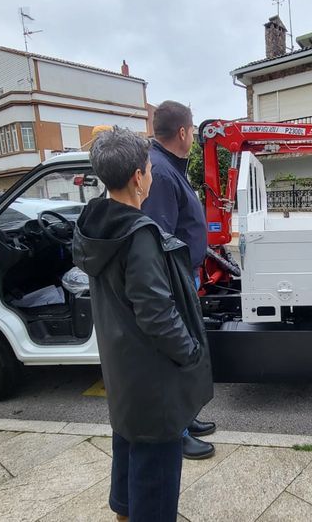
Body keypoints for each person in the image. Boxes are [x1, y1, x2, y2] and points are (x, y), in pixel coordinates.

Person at [72, 127, 213, 521]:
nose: (151, 173)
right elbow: (157, 314)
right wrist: (190, 352)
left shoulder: (95, 224)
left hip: (122, 371)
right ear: (138, 176)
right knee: (157, 475)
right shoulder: (139, 236)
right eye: (149, 167)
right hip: (152, 380)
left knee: (128, 451)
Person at [141, 100, 216, 460]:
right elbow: (160, 240)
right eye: (194, 133)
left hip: (186, 274)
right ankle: (178, 430)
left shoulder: (169, 167)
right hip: (174, 279)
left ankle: (188, 416)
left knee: (189, 353)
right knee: (175, 356)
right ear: (184, 132)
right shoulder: (161, 171)